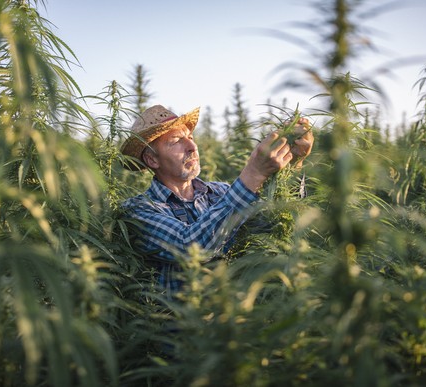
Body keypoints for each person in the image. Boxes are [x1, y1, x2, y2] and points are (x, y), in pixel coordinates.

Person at [120, 105, 314, 297]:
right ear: (153, 159)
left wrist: (294, 162)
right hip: (186, 324)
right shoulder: (138, 211)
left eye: (190, 137)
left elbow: (275, 225)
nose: (192, 147)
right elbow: (191, 247)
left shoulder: (221, 192)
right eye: (177, 140)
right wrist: (253, 174)